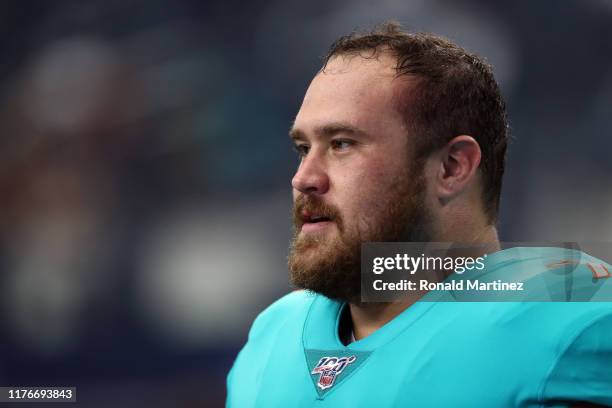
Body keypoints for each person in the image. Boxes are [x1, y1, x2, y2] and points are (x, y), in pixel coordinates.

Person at [226, 22, 612, 407]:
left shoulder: (571, 321)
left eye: (342, 144)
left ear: (451, 167)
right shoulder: (272, 335)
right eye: (302, 148)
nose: (303, 178)